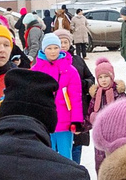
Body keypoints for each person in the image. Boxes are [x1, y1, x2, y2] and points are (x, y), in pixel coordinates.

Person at [33, 32, 87, 160]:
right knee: (46, 157)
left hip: (65, 121)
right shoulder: (36, 70)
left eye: (56, 48)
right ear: (43, 49)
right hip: (44, 121)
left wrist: (76, 120)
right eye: (49, 48)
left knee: (65, 156)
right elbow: (32, 96)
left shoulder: (70, 70)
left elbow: (76, 98)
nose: (53, 52)